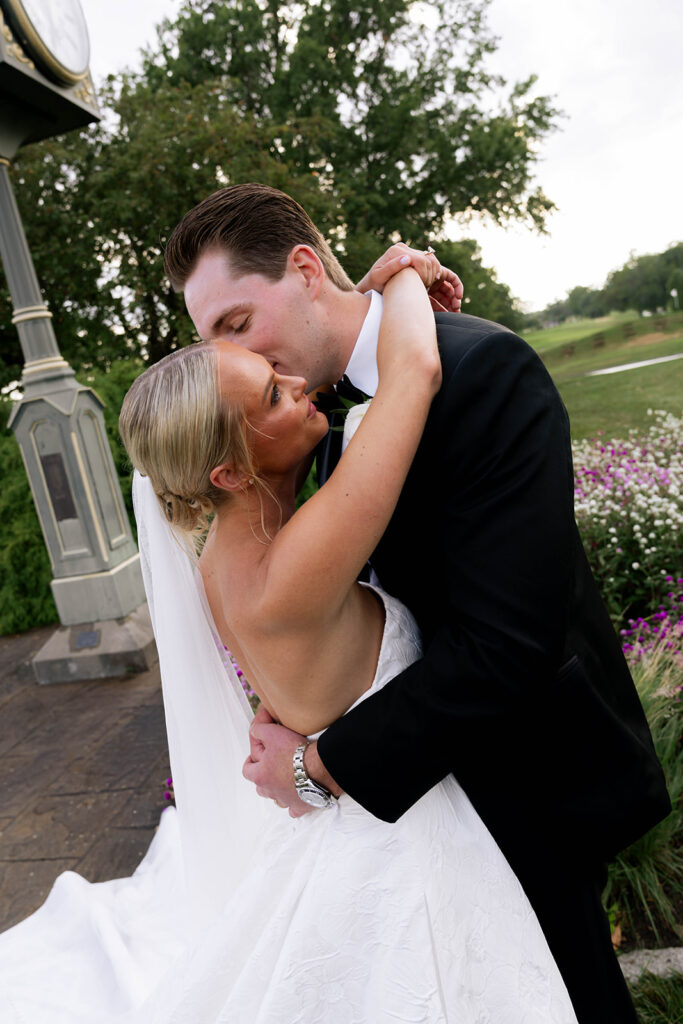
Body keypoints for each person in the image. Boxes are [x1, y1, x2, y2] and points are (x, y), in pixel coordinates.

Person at [0, 259, 577, 1022]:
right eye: (272, 395)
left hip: (363, 810)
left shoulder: (225, 557)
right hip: (408, 841)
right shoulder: (296, 564)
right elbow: (411, 373)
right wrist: (400, 273)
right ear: (231, 472)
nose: (300, 386)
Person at [162, 182, 672, 1024]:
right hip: (424, 813)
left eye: (237, 324)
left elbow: (508, 646)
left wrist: (321, 761)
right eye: (211, 338)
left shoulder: (482, 370)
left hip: (523, 780)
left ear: (301, 270)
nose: (237, 360)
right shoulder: (309, 420)